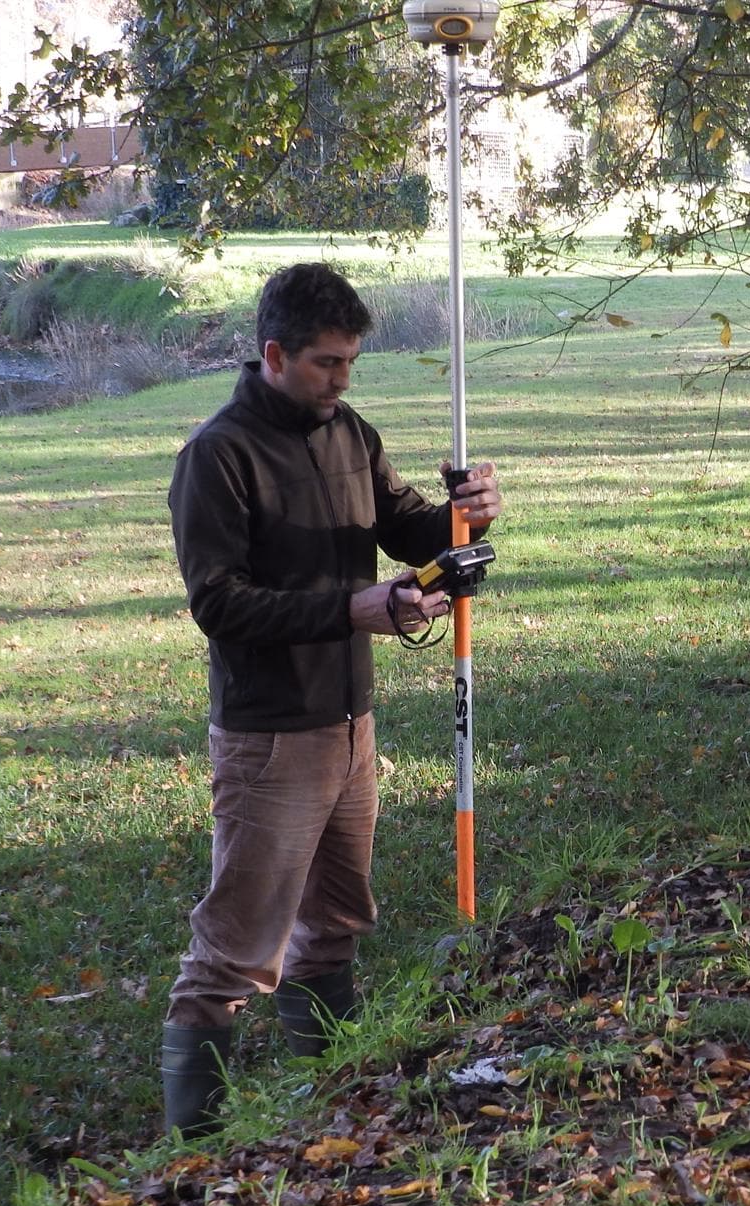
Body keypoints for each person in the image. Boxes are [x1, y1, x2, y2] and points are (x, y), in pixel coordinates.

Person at [161, 262, 501, 1137]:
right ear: (274, 353)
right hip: (271, 737)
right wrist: (352, 609)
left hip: (352, 727)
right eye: (326, 363)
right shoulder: (218, 455)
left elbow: (411, 527)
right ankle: (194, 1150)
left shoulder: (350, 433)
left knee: (337, 922)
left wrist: (472, 516)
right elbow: (218, 604)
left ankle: (330, 1105)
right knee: (238, 950)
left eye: (351, 362)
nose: (342, 380)